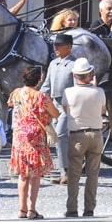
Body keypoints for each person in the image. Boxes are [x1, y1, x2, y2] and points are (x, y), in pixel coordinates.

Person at [8, 66, 60, 219]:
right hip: (36, 138)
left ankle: (21, 209)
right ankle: (32, 209)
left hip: (20, 138)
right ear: (38, 80)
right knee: (35, 175)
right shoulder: (42, 97)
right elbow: (55, 114)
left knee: (23, 175)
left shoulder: (15, 94)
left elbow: (11, 105)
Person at [63, 58, 106, 218]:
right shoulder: (99, 92)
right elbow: (102, 110)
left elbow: (65, 109)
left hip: (77, 135)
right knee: (93, 173)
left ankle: (72, 208)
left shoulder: (68, 92)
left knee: (74, 174)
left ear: (75, 75)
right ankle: (89, 208)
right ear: (90, 74)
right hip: (96, 134)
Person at [40, 33, 75, 185]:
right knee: (54, 137)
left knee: (60, 135)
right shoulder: (54, 63)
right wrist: (37, 96)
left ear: (69, 47)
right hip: (54, 104)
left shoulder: (74, 64)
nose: (56, 48)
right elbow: (47, 84)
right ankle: (61, 171)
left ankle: (66, 171)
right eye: (55, 45)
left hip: (68, 105)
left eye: (59, 45)